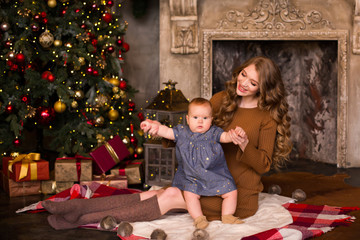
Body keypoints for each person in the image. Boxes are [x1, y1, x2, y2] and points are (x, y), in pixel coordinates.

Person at [41, 56, 292, 231]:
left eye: (253, 82)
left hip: (233, 194)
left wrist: (245, 144)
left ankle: (79, 217)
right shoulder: (220, 99)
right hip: (202, 179)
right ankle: (77, 207)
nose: (243, 82)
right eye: (243, 74)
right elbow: (190, 131)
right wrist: (160, 132)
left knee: (171, 193)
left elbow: (263, 166)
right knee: (156, 192)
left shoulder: (265, 118)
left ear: (263, 88)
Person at [140, 97, 244, 229]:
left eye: (205, 118)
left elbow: (226, 137)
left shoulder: (214, 133)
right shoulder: (182, 132)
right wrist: (154, 126)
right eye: (195, 117)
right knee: (190, 195)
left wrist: (234, 134)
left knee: (231, 190)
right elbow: (166, 131)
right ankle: (199, 218)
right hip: (191, 177)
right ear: (187, 119)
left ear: (211, 119)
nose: (200, 121)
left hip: (214, 174)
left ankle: (228, 215)